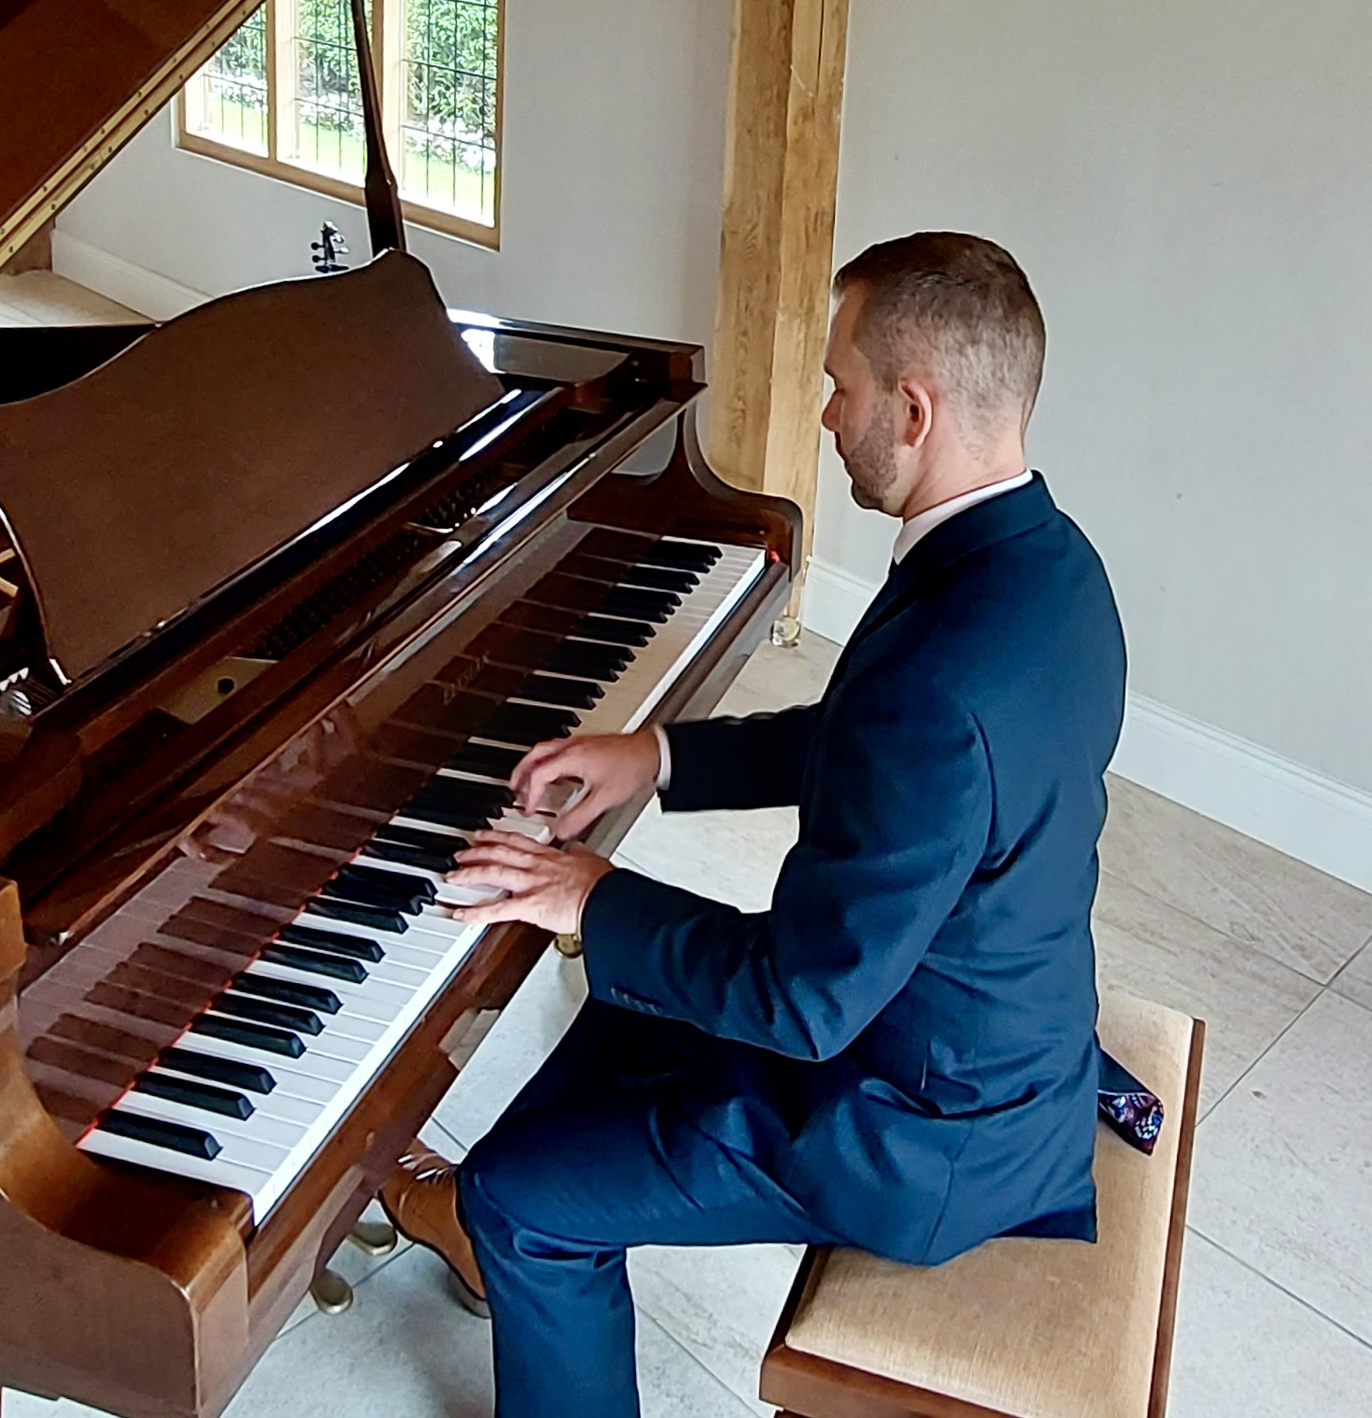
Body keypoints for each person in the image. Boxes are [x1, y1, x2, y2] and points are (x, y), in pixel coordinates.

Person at [378, 232, 1127, 1418]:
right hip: (971, 1031)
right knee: (630, 995)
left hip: (920, 1130)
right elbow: (870, 744)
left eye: (840, 385)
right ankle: (497, 1216)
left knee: (521, 1196)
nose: (826, 415)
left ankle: (508, 1226)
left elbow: (802, 1001)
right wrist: (656, 754)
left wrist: (584, 894)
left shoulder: (938, 677)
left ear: (914, 407)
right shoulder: (1045, 568)